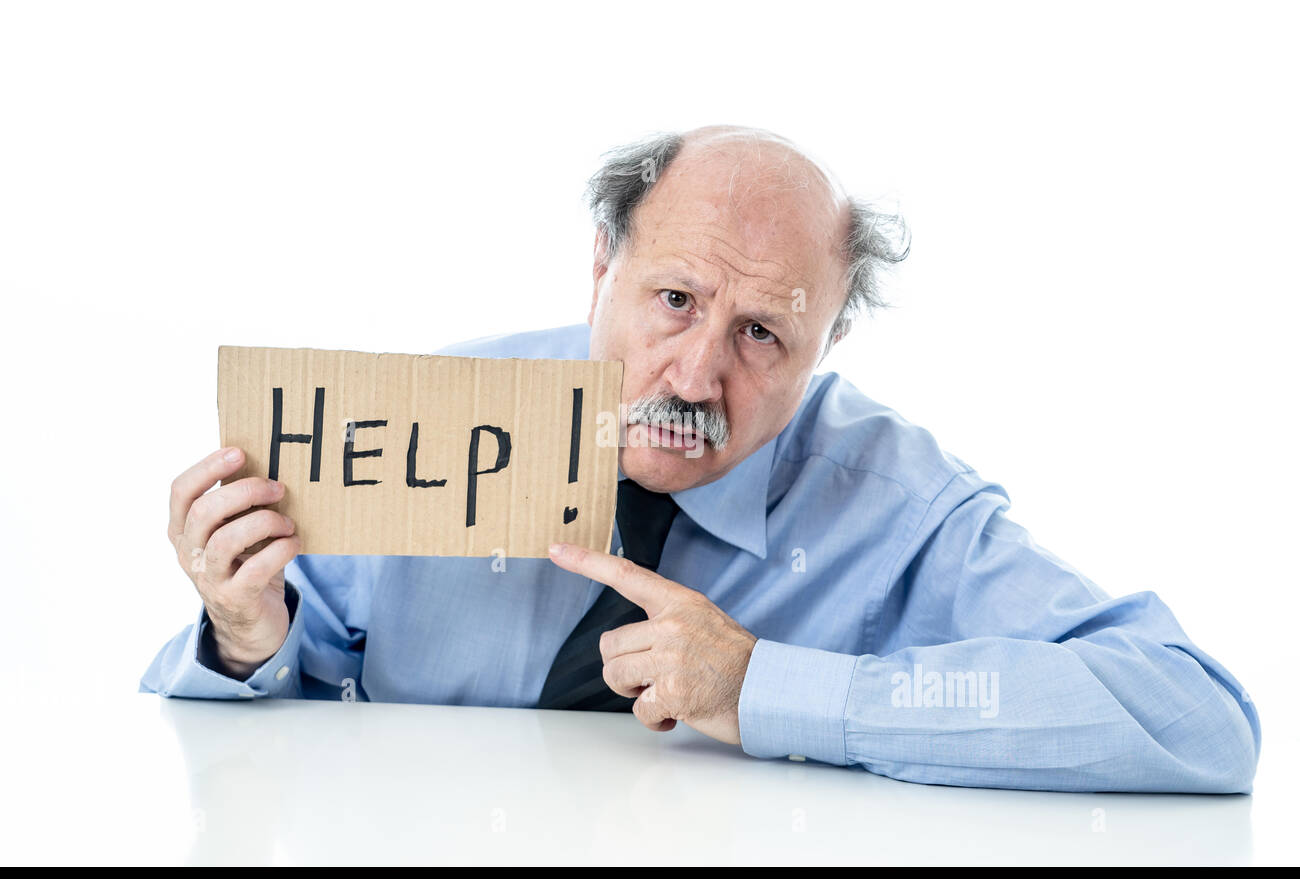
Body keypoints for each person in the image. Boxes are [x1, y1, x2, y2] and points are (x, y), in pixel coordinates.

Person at [143, 125, 1260, 793]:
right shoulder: (431, 420)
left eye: (760, 335)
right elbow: (247, 734)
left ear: (829, 344)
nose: (691, 376)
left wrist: (764, 687)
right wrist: (249, 639)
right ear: (599, 268)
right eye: (673, 300)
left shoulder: (898, 507)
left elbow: (1193, 717)